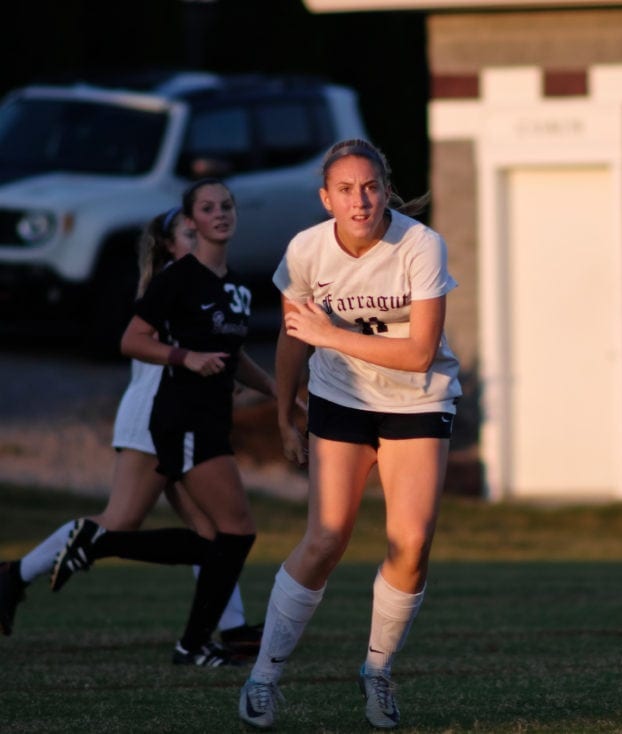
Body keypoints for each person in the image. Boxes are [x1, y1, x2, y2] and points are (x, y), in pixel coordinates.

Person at [237, 138, 461, 730]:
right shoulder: (306, 250)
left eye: (369, 187)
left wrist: (330, 335)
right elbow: (291, 338)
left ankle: (377, 671)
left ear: (386, 190)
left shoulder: (420, 244)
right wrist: (285, 415)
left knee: (411, 542)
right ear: (325, 198)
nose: (359, 200)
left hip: (416, 399)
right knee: (326, 538)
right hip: (340, 399)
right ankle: (263, 676)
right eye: (345, 189)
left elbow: (419, 354)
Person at [0, 206, 260, 655]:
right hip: (155, 414)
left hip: (175, 412)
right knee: (121, 522)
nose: (202, 234)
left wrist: (234, 379)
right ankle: (15, 574)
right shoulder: (178, 279)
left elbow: (216, 347)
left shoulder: (200, 280)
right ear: (170, 246)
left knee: (213, 533)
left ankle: (230, 629)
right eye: (188, 231)